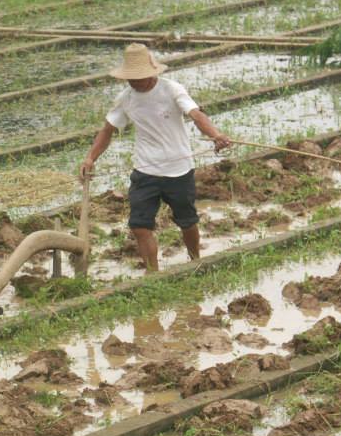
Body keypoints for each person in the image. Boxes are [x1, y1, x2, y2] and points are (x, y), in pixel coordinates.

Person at [79, 43, 231, 272]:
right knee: (139, 225)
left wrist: (215, 135)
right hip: (145, 170)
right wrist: (90, 158)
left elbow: (196, 114)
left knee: (187, 221)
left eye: (140, 77)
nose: (136, 82)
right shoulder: (126, 98)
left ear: (152, 73)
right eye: (132, 78)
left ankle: (195, 260)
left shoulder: (172, 90)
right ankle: (153, 273)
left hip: (178, 169)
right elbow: (107, 130)